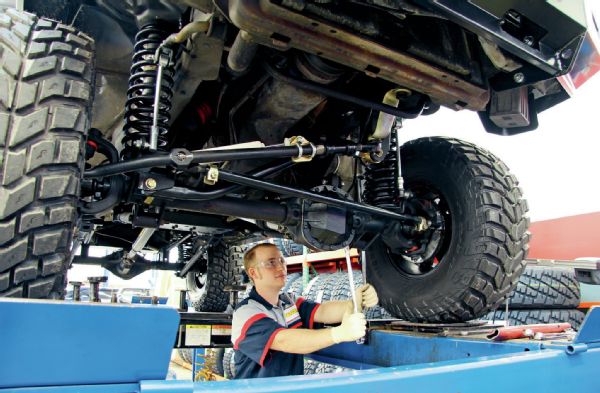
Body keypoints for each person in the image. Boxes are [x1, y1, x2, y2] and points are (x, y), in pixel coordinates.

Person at [230, 242, 379, 379]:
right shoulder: (246, 312)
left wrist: (355, 302)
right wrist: (339, 334)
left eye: (282, 260)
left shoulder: (288, 302)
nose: (281, 267)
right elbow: (284, 340)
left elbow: (322, 311)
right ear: (254, 273)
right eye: (271, 263)